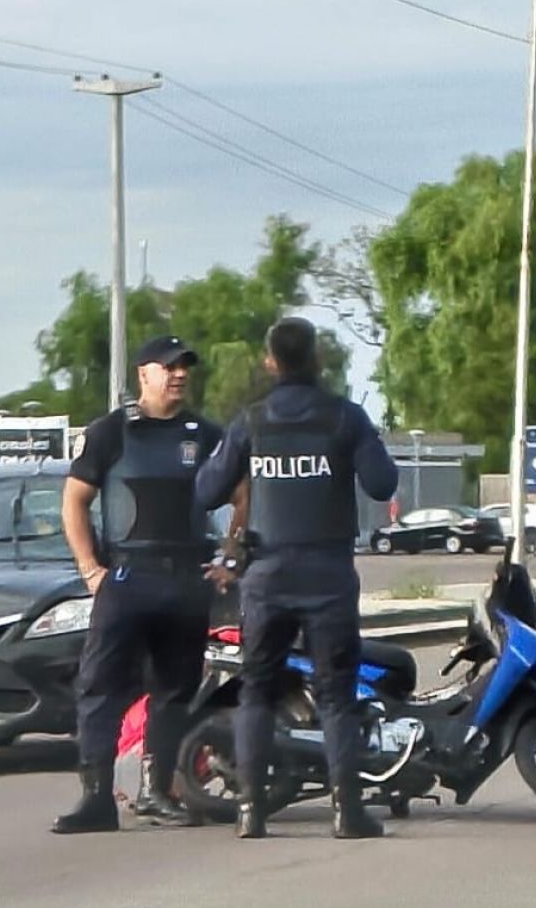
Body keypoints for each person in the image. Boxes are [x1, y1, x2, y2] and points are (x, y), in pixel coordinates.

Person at [195, 317, 398, 840]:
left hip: (267, 576)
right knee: (336, 693)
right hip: (328, 575)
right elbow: (382, 483)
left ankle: (250, 811)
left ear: (269, 362)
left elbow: (208, 490)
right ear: (317, 360)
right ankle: (348, 812)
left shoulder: (252, 422)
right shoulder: (345, 418)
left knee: (257, 692)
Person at [52, 334, 229, 835]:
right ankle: (95, 798)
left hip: (186, 580)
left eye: (184, 367)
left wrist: (230, 556)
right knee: (99, 688)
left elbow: (244, 492)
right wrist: (90, 568)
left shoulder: (207, 435)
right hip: (127, 579)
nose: (179, 375)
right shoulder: (111, 433)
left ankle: (157, 791)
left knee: (174, 691)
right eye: (168, 367)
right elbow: (74, 503)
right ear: (143, 374)